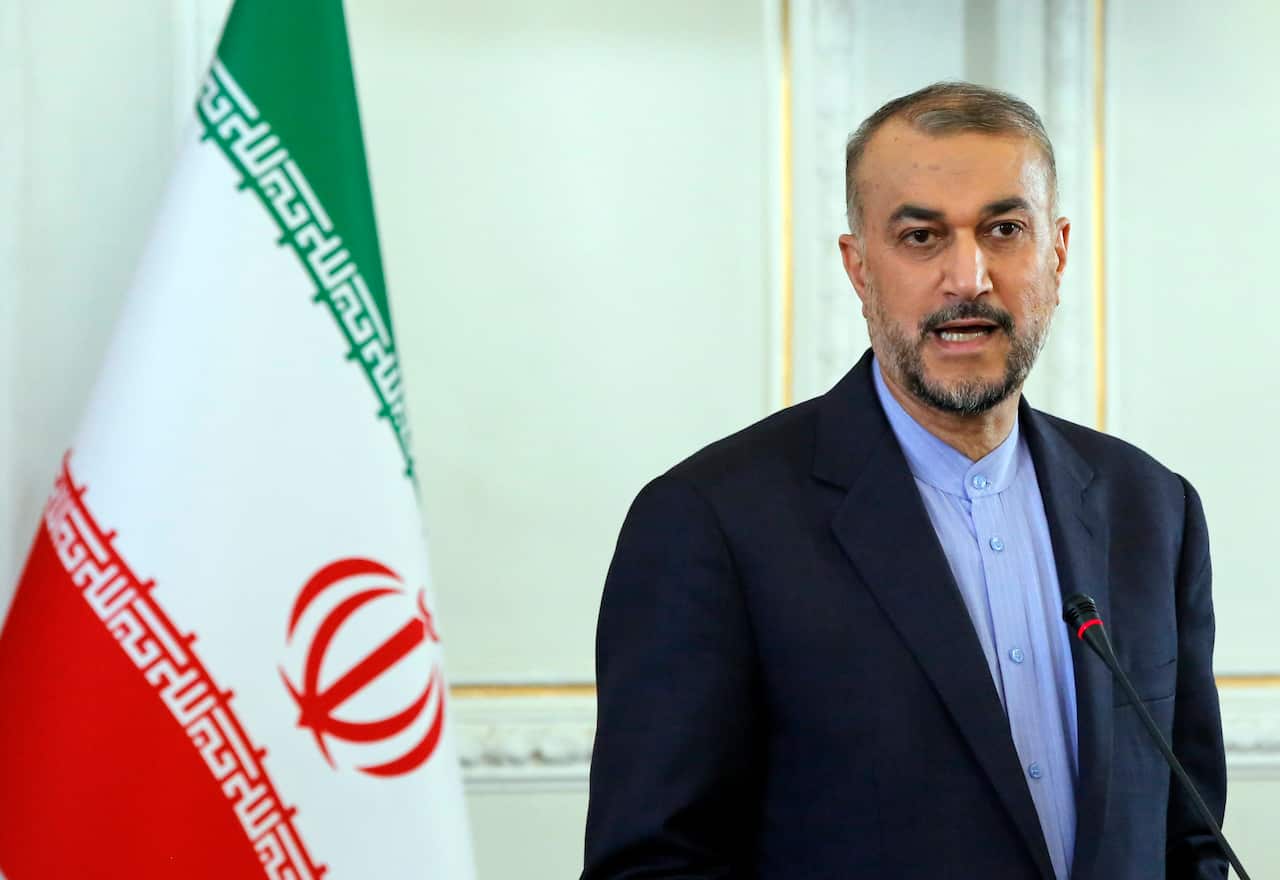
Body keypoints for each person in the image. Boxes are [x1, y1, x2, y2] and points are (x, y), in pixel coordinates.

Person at [581, 82, 1227, 880]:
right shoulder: (710, 523)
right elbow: (654, 866)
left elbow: (1189, 839)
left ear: (1056, 254)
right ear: (858, 268)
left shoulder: (1152, 509)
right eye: (921, 237)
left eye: (1004, 229)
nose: (969, 278)